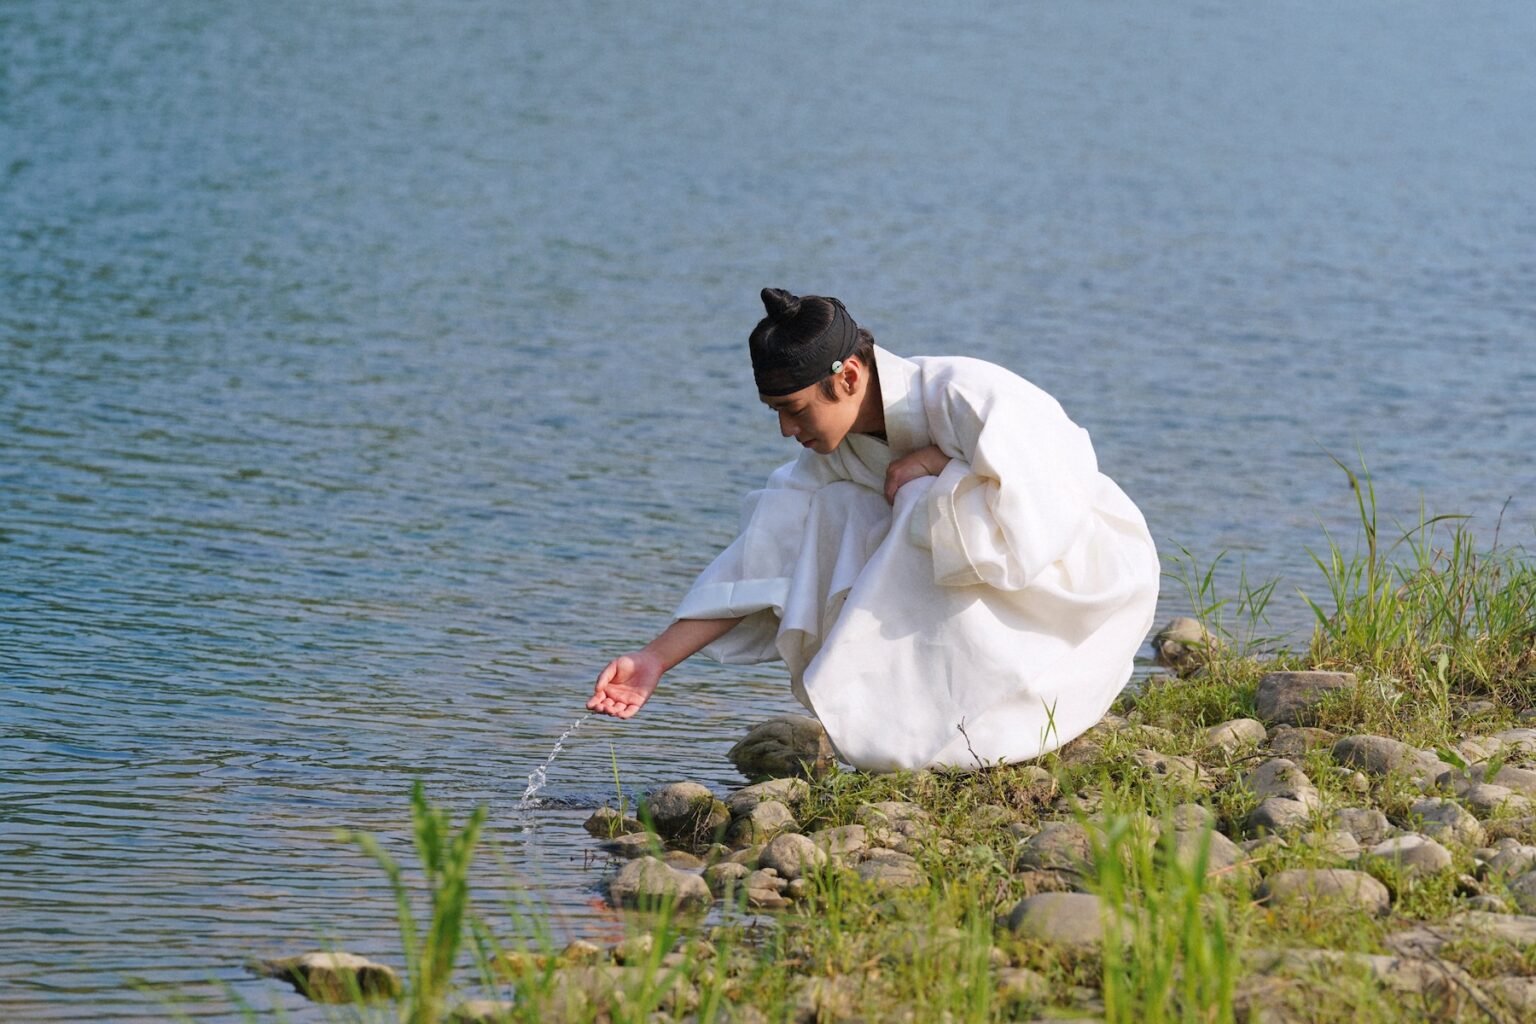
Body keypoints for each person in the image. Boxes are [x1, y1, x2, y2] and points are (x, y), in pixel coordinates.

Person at [588, 288, 1159, 772]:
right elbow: (761, 555)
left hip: (1077, 582)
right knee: (829, 510)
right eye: (775, 413)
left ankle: (984, 715)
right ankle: (913, 725)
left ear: (850, 375)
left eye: (795, 409)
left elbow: (1047, 512)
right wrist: (654, 659)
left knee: (915, 498)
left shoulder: (967, 394)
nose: (787, 430)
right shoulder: (835, 454)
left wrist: (938, 466)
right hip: (987, 574)